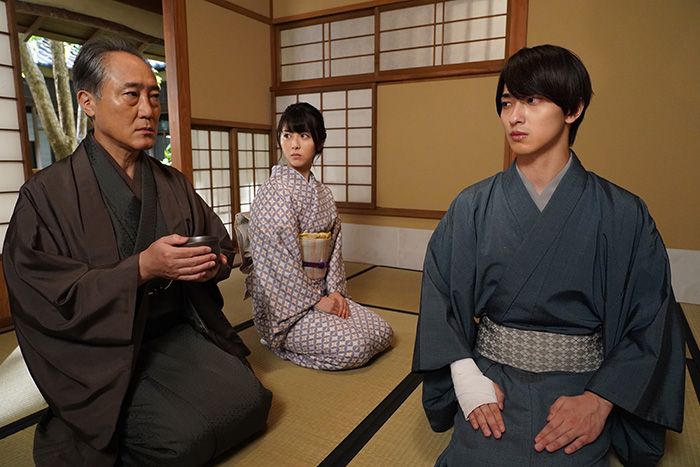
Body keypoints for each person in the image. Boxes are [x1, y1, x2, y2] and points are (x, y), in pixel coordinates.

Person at [2, 37, 272, 466]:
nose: (147, 110)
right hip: (104, 353)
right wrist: (141, 268)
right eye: (131, 95)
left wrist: (211, 265)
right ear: (88, 103)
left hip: (176, 330)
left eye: (153, 96)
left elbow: (220, 244)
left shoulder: (171, 182)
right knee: (180, 441)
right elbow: (43, 292)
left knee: (253, 402)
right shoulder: (45, 194)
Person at [412, 45, 684, 466]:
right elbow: (439, 295)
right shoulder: (472, 206)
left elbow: (650, 318)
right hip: (491, 378)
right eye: (507, 103)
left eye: (532, 100)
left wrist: (600, 401)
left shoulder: (624, 213)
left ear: (573, 109)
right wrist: (465, 377)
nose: (514, 117)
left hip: (584, 384)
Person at [246, 102, 393, 370]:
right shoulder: (273, 192)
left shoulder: (323, 193)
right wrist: (315, 301)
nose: (294, 145)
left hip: (322, 293)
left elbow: (334, 249)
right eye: (287, 135)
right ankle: (278, 342)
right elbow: (276, 262)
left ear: (319, 142)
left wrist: (335, 292)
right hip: (287, 307)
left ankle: (321, 317)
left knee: (382, 332)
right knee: (357, 347)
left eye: (304, 136)